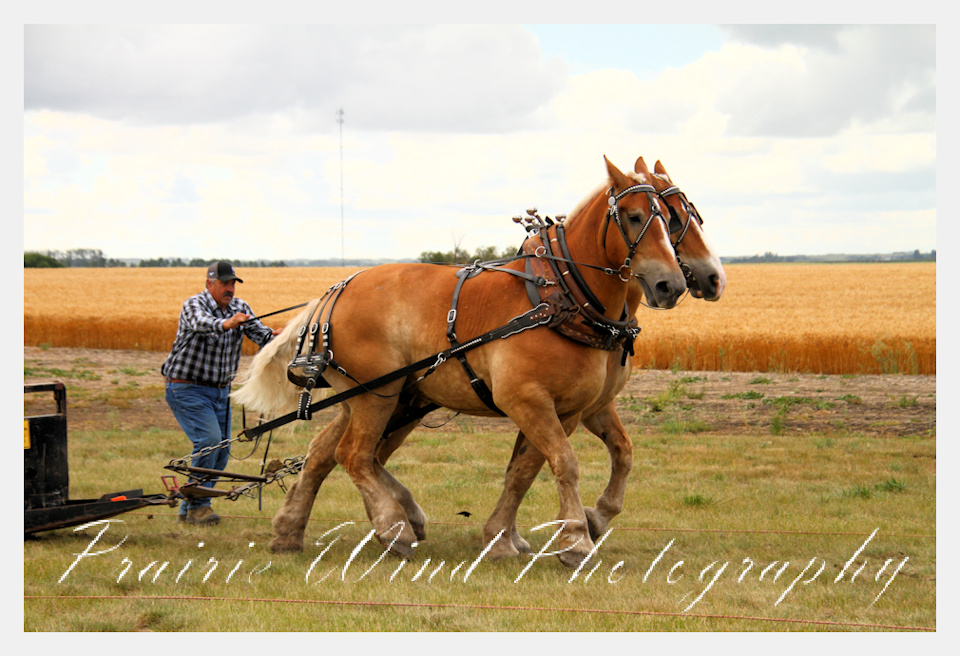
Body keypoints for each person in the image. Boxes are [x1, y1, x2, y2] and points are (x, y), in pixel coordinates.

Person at [162, 261, 279, 525]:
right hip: (186, 387)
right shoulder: (194, 305)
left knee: (222, 451)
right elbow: (202, 324)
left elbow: (261, 335)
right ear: (209, 284)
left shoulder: (241, 307)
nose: (230, 289)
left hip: (220, 392)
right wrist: (228, 323)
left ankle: (189, 508)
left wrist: (279, 337)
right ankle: (199, 505)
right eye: (224, 283)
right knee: (209, 441)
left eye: (233, 284)